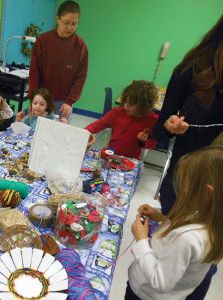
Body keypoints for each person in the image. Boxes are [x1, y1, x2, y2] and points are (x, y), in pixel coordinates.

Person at [153, 16, 223, 299]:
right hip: (187, 176)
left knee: (204, 262)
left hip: (215, 186)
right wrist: (169, 126)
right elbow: (161, 128)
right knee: (174, 249)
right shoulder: (191, 70)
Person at [126, 145, 223, 300]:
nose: (181, 190)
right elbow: (180, 233)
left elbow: (160, 282)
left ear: (207, 193)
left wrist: (141, 240)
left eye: (186, 185)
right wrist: (161, 219)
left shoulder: (188, 238)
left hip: (145, 295)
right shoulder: (209, 223)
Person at [29, 0, 88, 122]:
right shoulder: (43, 41)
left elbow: (80, 79)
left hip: (64, 103)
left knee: (59, 136)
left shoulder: (80, 46)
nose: (70, 27)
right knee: (35, 132)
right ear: (58, 19)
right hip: (42, 99)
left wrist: (70, 101)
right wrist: (33, 99)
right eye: (66, 23)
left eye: (74, 24)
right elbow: (34, 72)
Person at [85, 80, 159, 160]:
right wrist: (82, 132)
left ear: (144, 106)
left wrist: (143, 141)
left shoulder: (152, 120)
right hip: (110, 155)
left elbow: (152, 144)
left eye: (131, 104)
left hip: (130, 160)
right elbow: (97, 125)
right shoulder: (118, 112)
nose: (126, 106)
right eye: (125, 102)